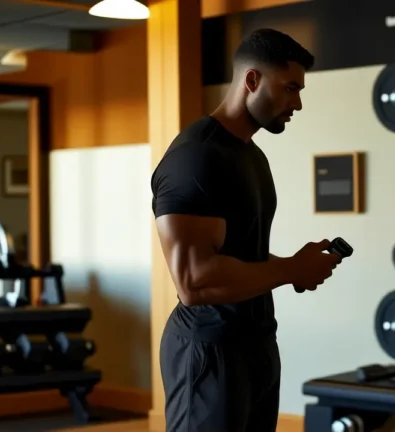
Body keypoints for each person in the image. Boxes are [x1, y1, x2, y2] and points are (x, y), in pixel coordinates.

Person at [150, 28, 341, 432]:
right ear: (252, 81)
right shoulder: (196, 156)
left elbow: (239, 256)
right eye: (290, 88)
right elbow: (194, 281)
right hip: (208, 350)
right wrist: (289, 271)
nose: (298, 103)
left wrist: (296, 265)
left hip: (254, 345)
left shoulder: (252, 157)